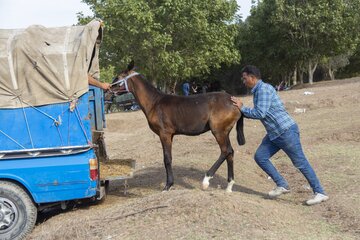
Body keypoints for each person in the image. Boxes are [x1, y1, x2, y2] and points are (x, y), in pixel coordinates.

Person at [231, 65, 329, 205]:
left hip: (285, 131)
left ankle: (320, 192)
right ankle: (282, 184)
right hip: (274, 134)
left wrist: (242, 108)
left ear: (253, 78)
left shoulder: (263, 90)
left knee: (300, 162)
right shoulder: (258, 90)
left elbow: (260, 113)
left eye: (245, 78)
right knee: (260, 157)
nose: (243, 81)